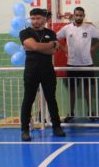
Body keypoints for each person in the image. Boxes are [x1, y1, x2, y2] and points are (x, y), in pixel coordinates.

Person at [19, 8, 66, 141]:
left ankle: (56, 127)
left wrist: (35, 47)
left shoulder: (50, 33)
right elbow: (36, 46)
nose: (35, 21)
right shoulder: (25, 32)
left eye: (38, 18)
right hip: (31, 71)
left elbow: (52, 52)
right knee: (28, 99)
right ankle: (25, 130)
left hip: (47, 70)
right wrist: (51, 44)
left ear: (44, 19)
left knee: (51, 99)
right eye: (32, 18)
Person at [56, 7, 99, 123]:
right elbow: (55, 38)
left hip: (87, 64)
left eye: (81, 15)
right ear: (73, 15)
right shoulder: (67, 28)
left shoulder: (89, 28)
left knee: (87, 89)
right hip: (72, 64)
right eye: (77, 15)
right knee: (72, 90)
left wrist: (94, 47)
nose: (79, 17)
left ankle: (90, 112)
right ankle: (71, 113)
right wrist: (63, 48)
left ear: (84, 16)